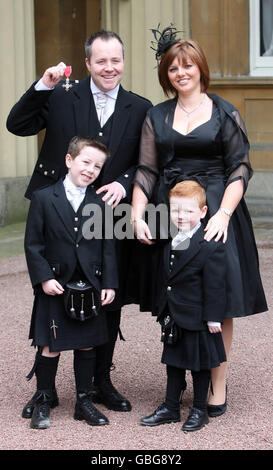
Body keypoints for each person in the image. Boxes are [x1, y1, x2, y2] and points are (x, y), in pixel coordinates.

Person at [7, 29, 152, 412]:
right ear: (87, 63)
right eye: (101, 60)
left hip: (110, 215)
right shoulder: (60, 94)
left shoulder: (139, 107)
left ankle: (100, 382)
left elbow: (147, 161)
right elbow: (17, 125)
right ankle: (45, 388)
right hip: (57, 208)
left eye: (115, 60)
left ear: (124, 61)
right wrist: (42, 84)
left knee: (108, 291)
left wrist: (125, 183)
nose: (109, 68)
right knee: (51, 290)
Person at [131, 26, 268, 415]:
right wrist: (138, 214)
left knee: (218, 301)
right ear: (166, 75)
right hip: (171, 211)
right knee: (177, 299)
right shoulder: (156, 115)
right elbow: (146, 169)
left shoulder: (225, 111)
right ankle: (176, 391)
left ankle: (217, 387)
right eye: (173, 68)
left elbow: (240, 168)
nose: (181, 73)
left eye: (188, 65)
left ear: (200, 68)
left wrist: (223, 214)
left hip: (215, 212)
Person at [23, 136, 118, 429]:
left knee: (87, 345)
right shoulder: (43, 197)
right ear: (69, 160)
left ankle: (83, 401)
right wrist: (44, 278)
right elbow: (33, 245)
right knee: (50, 345)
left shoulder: (100, 203)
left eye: (97, 166)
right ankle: (43, 398)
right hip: (56, 285)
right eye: (85, 162)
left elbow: (107, 246)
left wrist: (109, 283)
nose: (91, 170)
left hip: (89, 286)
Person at [140, 180, 227, 431]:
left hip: (198, 316)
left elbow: (215, 285)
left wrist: (213, 318)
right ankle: (170, 407)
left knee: (199, 366)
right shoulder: (172, 239)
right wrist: (162, 307)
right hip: (174, 314)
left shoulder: (210, 244)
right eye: (176, 210)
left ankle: (200, 409)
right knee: (174, 362)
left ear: (202, 212)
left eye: (188, 211)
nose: (181, 216)